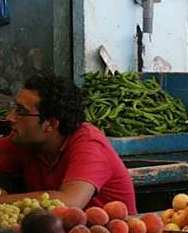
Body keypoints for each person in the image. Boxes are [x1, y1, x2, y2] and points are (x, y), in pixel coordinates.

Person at [0, 76, 135, 212]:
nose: (9, 117)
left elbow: (69, 202)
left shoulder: (89, 144)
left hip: (111, 225)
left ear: (50, 124)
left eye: (21, 111)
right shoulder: (24, 140)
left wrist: (3, 200)